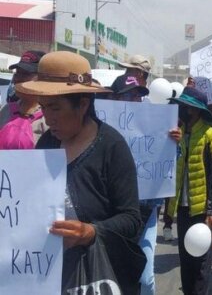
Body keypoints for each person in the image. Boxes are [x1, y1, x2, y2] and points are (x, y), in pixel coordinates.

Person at [15, 51, 145, 294]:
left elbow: (131, 219)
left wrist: (91, 232)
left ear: (83, 104)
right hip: (50, 276)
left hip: (100, 276)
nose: (48, 118)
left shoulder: (112, 147)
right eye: (44, 108)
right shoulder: (46, 143)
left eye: (55, 108)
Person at [107, 73, 163, 295]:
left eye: (139, 95)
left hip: (145, 211)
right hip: (112, 214)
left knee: (146, 279)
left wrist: (172, 144)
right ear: (115, 100)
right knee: (115, 278)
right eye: (129, 95)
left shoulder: (154, 128)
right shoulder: (100, 132)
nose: (136, 101)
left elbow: (166, 167)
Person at [166, 86, 212, 295]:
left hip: (201, 213)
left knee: (200, 265)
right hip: (183, 208)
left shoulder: (210, 136)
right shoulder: (177, 135)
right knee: (185, 261)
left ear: (196, 111)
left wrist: (210, 212)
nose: (182, 111)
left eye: (186, 108)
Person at [0, 50, 48, 149]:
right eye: (17, 73)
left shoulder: (49, 117)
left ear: (43, 78)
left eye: (25, 74)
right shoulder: (6, 110)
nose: (17, 79)